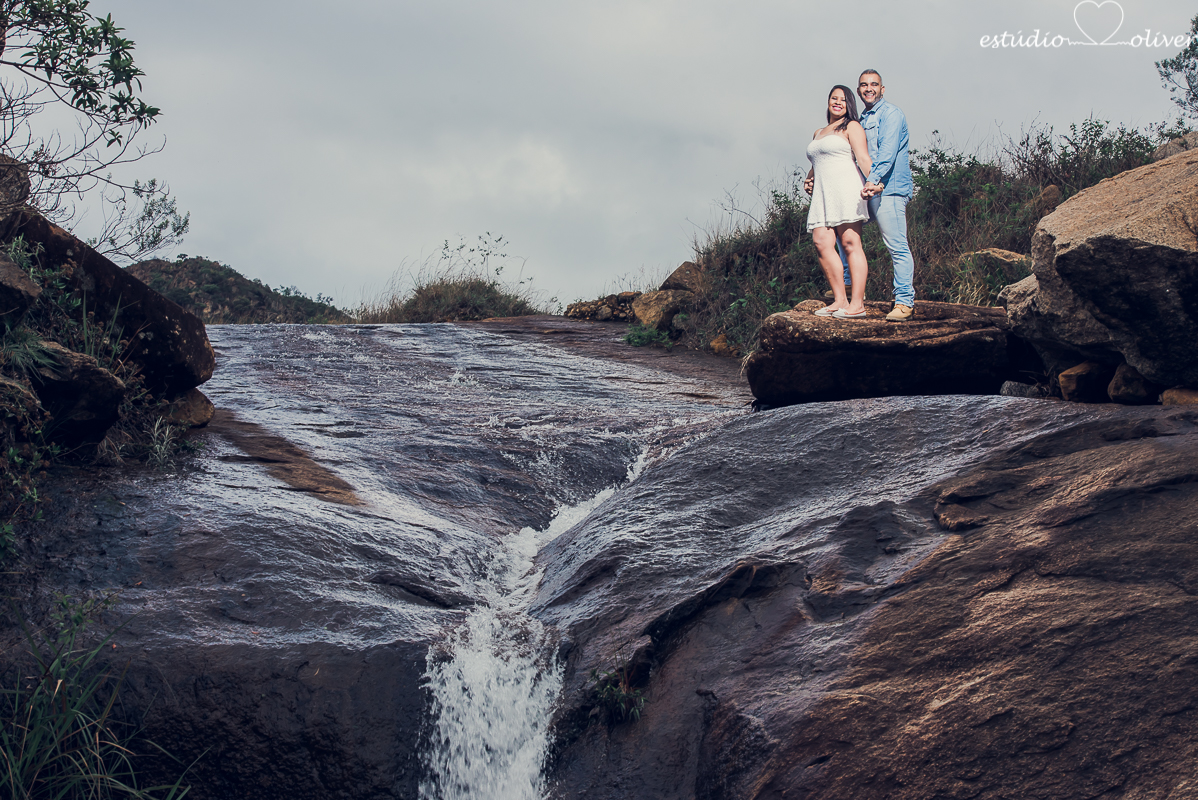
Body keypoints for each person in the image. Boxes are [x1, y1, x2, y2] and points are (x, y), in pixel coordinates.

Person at [832, 69, 916, 321]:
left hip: (888, 188)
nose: (869, 88)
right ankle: (848, 284)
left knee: (897, 245)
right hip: (866, 186)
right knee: (843, 230)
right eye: (864, 85)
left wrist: (872, 181)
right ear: (858, 91)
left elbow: (887, 153)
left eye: (874, 84)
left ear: (882, 89)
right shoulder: (860, 119)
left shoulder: (891, 114)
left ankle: (904, 302)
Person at [802, 85, 872, 319]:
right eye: (834, 98)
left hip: (847, 190)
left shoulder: (852, 126)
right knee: (821, 241)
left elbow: (862, 158)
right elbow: (818, 161)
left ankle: (857, 304)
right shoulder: (819, 132)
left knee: (851, 242)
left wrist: (875, 182)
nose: (838, 102)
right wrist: (809, 179)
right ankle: (839, 300)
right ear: (829, 101)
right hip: (823, 194)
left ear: (849, 104)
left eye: (843, 99)